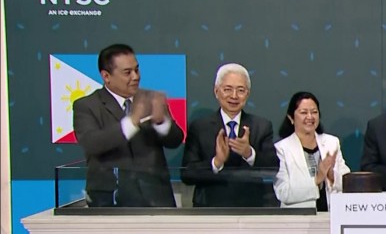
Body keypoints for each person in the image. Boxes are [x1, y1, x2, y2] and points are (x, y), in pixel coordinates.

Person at [73, 43, 184, 207]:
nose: (135, 76)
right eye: (127, 72)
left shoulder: (150, 99)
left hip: (156, 198)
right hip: (111, 200)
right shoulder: (87, 106)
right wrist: (132, 122)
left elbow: (175, 140)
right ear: (106, 76)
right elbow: (92, 143)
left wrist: (161, 122)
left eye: (137, 70)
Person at [181, 63, 277, 207]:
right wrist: (216, 162)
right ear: (216, 91)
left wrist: (249, 154)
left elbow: (274, 167)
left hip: (251, 208)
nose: (234, 96)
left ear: (247, 94)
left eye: (240, 90)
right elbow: (187, 174)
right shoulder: (199, 127)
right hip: (210, 208)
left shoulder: (261, 126)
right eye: (227, 89)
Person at [274, 91, 351, 209]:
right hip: (298, 216)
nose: (310, 117)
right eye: (304, 112)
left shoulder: (331, 143)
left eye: (314, 112)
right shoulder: (281, 149)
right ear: (291, 117)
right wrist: (317, 179)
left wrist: (331, 176)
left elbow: (348, 183)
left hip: (331, 214)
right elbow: (283, 192)